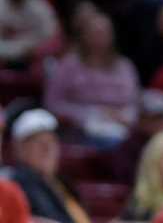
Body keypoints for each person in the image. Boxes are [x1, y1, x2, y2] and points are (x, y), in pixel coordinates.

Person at [2, 108, 96, 223]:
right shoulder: (22, 181)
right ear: (19, 149)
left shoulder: (60, 182)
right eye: (38, 143)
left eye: (52, 141)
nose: (47, 149)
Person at [42, 9, 140, 145]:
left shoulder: (125, 66)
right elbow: (53, 103)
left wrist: (124, 116)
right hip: (79, 131)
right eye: (95, 33)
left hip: (121, 129)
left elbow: (134, 104)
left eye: (104, 33)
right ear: (84, 35)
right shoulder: (68, 65)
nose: (100, 37)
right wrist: (92, 113)